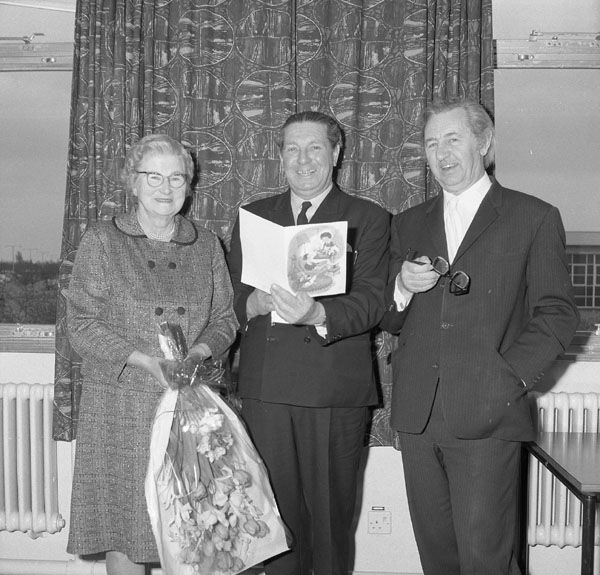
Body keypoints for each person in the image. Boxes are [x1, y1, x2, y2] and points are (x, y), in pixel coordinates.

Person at [380, 98, 580, 575]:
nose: (441, 153)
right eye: (431, 143)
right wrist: (401, 289)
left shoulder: (533, 217)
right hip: (418, 416)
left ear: (485, 143)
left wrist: (505, 380)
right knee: (437, 558)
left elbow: (557, 313)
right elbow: (388, 319)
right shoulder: (407, 222)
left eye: (453, 139)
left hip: (489, 415)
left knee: (485, 560)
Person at [64, 134, 238, 574]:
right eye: (154, 176)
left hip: (188, 405)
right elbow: (81, 323)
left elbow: (226, 319)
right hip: (121, 404)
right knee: (127, 528)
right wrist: (145, 361)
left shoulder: (206, 245)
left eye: (176, 177)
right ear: (133, 183)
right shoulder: (103, 240)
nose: (166, 188)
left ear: (189, 185)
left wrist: (197, 353)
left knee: (196, 526)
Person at [227, 110, 390, 575]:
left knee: (331, 523)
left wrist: (318, 313)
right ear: (280, 157)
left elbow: (374, 302)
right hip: (265, 390)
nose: (303, 160)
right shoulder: (254, 217)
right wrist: (251, 305)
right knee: (274, 523)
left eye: (315, 148)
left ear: (335, 154)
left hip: (332, 392)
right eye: (292, 149)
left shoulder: (370, 219)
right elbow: (229, 301)